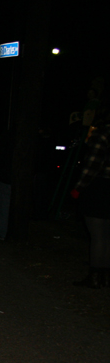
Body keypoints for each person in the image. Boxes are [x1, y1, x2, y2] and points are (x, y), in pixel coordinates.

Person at [70, 114, 110, 288]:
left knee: (97, 235)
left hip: (100, 187)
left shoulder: (102, 134)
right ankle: (106, 277)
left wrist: (78, 187)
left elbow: (93, 165)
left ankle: (95, 276)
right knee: (106, 235)